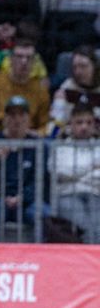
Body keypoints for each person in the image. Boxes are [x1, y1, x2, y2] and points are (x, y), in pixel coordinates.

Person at [0, 97, 43, 240]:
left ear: (28, 119)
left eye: (21, 115)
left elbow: (41, 179)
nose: (17, 120)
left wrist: (23, 197)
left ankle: (39, 261)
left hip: (27, 201)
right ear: (5, 119)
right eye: (12, 115)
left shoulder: (37, 145)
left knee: (43, 215)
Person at [0, 38, 50, 133]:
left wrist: (33, 134)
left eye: (29, 58)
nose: (24, 62)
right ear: (10, 59)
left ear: (34, 62)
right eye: (19, 56)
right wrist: (10, 118)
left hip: (29, 141)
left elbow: (45, 124)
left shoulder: (40, 89)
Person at [51, 98, 100, 241]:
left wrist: (76, 172)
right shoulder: (60, 147)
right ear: (71, 124)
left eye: (89, 122)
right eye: (79, 122)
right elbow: (61, 171)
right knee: (86, 227)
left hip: (96, 194)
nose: (84, 127)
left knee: (98, 228)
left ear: (94, 125)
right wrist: (93, 166)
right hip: (67, 194)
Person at [52, 47, 100, 129]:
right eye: (75, 67)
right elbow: (56, 125)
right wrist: (59, 105)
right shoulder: (66, 88)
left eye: (83, 66)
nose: (78, 72)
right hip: (70, 137)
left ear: (94, 66)